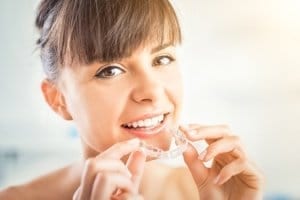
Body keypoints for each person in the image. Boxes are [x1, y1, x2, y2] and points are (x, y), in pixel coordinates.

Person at [0, 0, 264, 199]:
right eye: (110, 70)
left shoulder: (211, 191)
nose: (152, 91)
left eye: (162, 59)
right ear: (58, 99)